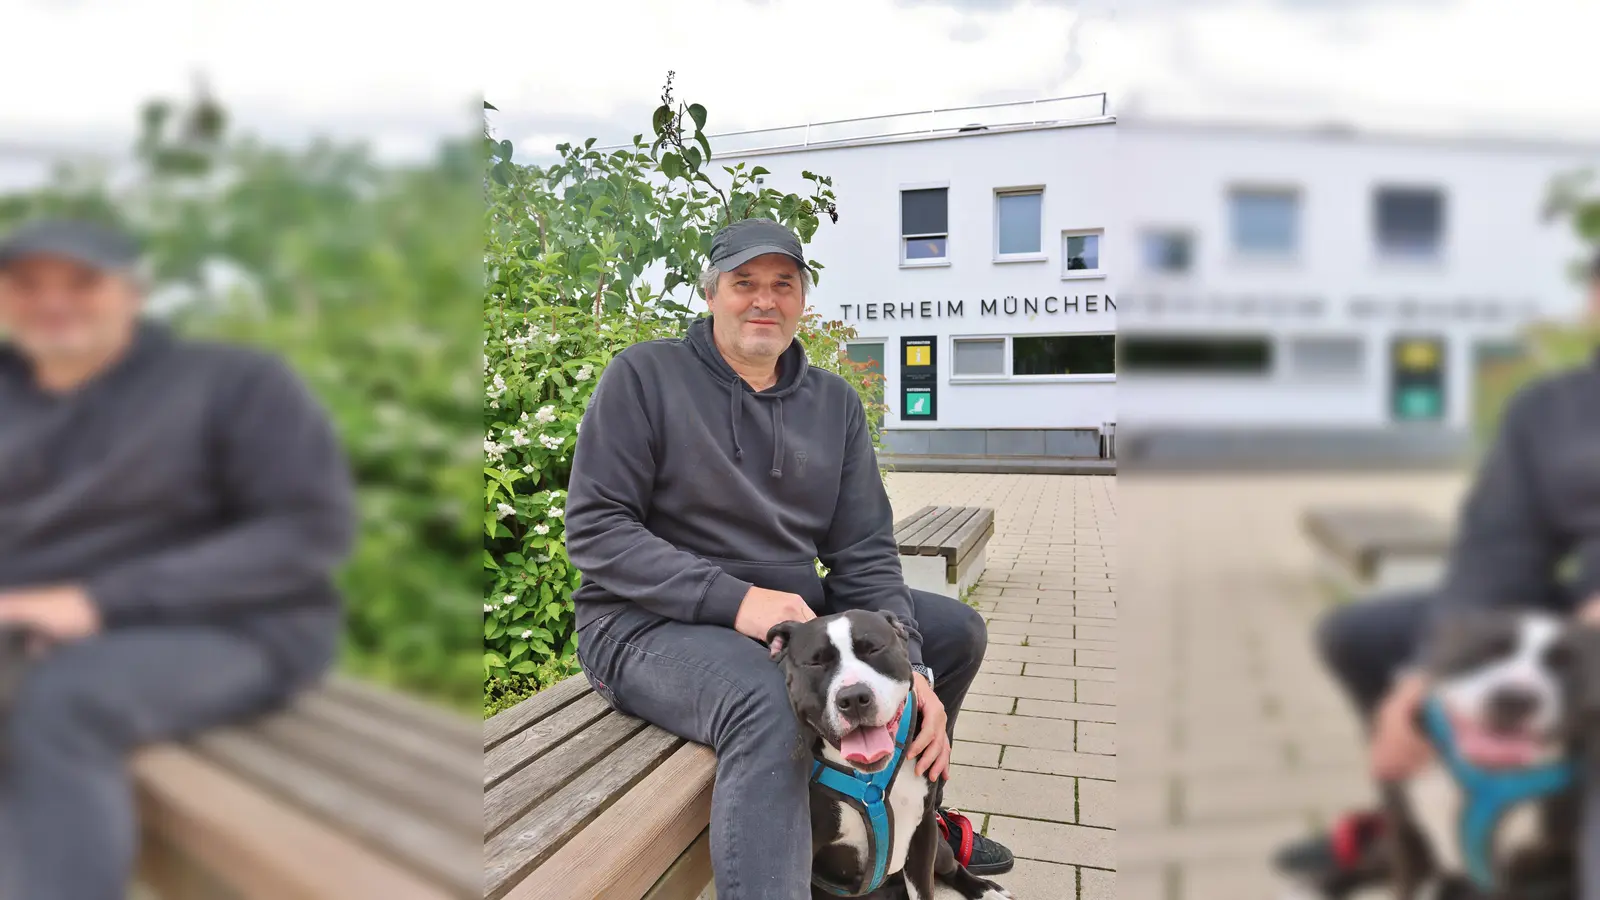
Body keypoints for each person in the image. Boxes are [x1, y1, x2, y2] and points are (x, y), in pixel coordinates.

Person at [565, 217, 1015, 900]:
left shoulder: (832, 403)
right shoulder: (644, 377)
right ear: (711, 292)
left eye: (784, 284)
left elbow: (863, 552)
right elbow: (596, 530)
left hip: (789, 619)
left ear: (804, 297)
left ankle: (904, 812)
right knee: (767, 700)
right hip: (640, 626)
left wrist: (914, 669)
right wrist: (737, 601)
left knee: (953, 633)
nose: (764, 300)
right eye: (744, 283)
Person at [0, 219, 356, 900]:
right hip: (19, 627)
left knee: (62, 702)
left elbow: (307, 530)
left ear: (135, 291)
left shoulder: (234, 383)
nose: (53, 300)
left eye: (81, 281)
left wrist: (96, 602)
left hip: (230, 626)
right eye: (27, 283)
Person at [1275, 247, 1600, 895]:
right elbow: (1497, 549)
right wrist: (1425, 677)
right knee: (1363, 635)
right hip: (1576, 607)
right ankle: (1421, 824)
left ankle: (1559, 841)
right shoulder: (1552, 411)